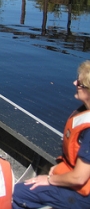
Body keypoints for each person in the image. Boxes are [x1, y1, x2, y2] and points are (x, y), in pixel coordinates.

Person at [12, 60, 90, 209]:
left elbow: (79, 178)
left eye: (79, 83)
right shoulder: (84, 112)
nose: (74, 83)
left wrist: (49, 179)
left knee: (17, 193)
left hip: (83, 196)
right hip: (73, 178)